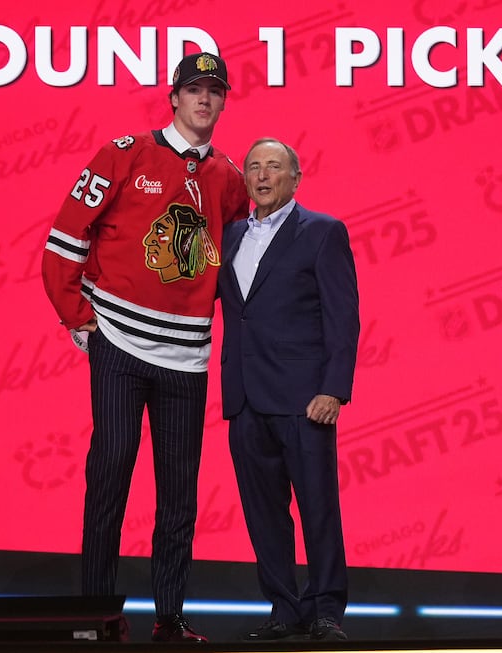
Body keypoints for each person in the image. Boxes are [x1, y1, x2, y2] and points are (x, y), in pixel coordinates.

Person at [41, 52, 248, 642]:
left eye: (215, 91)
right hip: (119, 346)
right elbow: (63, 239)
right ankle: (95, 617)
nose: (204, 100)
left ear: (223, 101)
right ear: (174, 98)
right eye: (194, 90)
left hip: (187, 358)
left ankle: (170, 618)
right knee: (109, 475)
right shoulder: (125, 152)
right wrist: (80, 321)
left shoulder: (229, 178)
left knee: (179, 494)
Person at [217, 138, 360, 641]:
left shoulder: (321, 232)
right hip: (245, 399)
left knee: (318, 506)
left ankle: (325, 610)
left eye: (273, 167)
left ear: (295, 178)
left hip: (305, 399)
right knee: (263, 514)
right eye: (254, 167)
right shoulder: (229, 236)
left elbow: (344, 319)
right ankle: (283, 609)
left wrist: (335, 390)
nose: (261, 175)